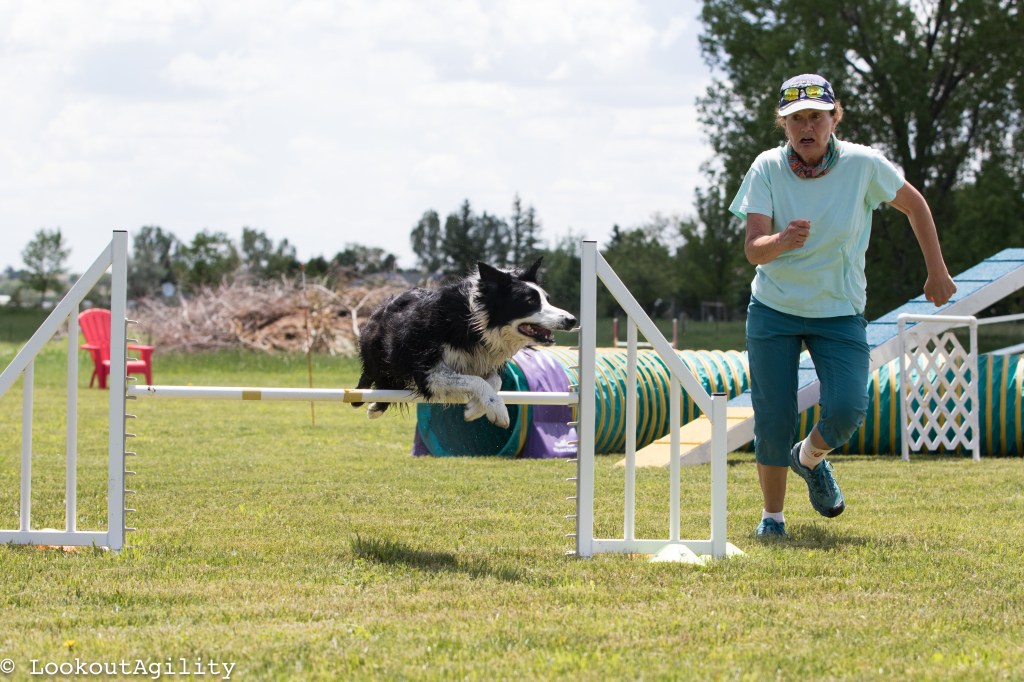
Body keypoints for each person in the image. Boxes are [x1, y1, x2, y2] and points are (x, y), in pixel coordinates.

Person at [729, 74, 957, 537]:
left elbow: (916, 206)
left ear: (835, 118)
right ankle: (772, 518)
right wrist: (782, 240)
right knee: (774, 416)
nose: (806, 127)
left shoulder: (863, 165)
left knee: (848, 408)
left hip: (839, 310)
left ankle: (808, 457)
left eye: (816, 116)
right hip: (774, 308)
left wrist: (937, 270)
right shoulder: (766, 167)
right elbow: (754, 249)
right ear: (784, 125)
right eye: (796, 119)